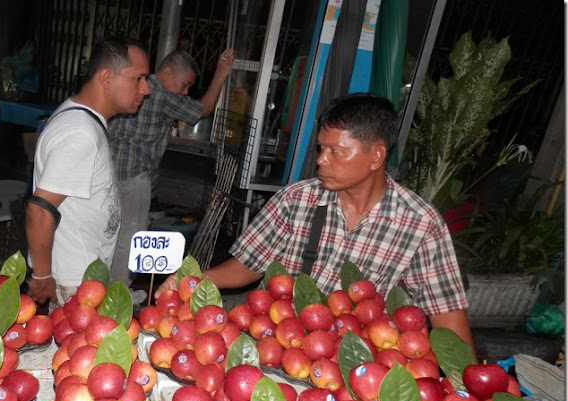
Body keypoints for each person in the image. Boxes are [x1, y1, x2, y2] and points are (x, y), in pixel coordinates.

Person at [156, 93, 476, 353]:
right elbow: (246, 267)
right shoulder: (296, 200)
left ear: (376, 156)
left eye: (337, 151)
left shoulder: (420, 225)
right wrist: (191, 279)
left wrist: (468, 387)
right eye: (322, 148)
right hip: (279, 346)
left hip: (357, 368)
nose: (322, 159)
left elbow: (449, 322)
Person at [25, 36, 151, 306]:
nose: (146, 89)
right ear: (106, 77)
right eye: (138, 79)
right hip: (76, 284)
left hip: (84, 280)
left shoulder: (84, 120)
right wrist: (42, 275)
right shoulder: (79, 131)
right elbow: (39, 209)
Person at [107, 47, 236, 285]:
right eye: (184, 84)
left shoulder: (135, 88)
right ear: (166, 73)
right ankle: (119, 292)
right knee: (130, 236)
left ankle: (102, 285)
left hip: (111, 171)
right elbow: (203, 110)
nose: (185, 92)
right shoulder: (159, 95)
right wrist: (220, 75)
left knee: (110, 233)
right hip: (134, 177)